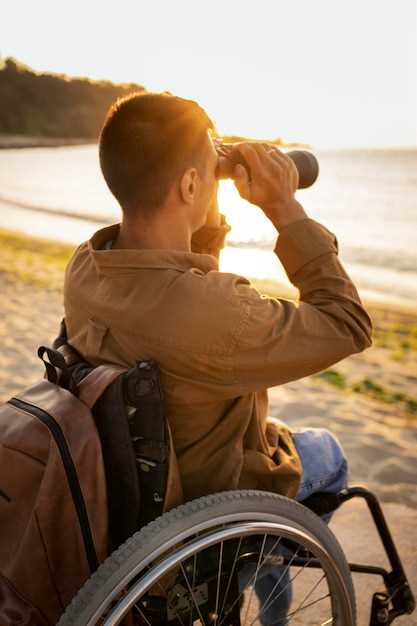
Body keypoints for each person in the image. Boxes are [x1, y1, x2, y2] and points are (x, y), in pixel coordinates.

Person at [63, 92, 372, 625]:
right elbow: (348, 323)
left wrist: (200, 186)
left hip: (130, 487)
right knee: (329, 450)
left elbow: (184, 284)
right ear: (187, 184)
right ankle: (268, 590)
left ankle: (263, 571)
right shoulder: (208, 313)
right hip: (212, 500)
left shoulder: (88, 266)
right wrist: (284, 207)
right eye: (205, 172)